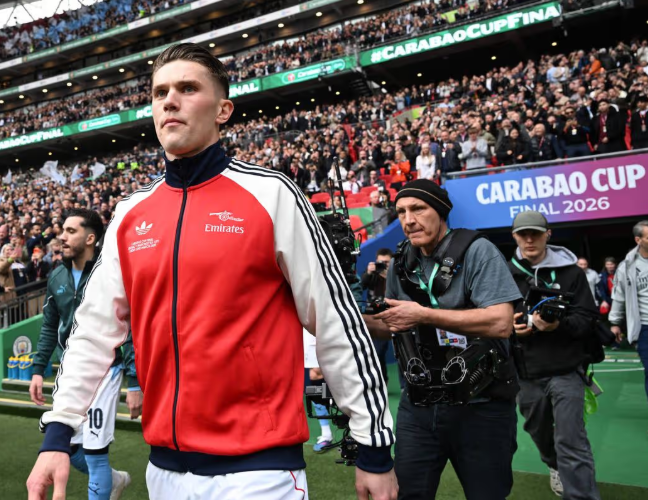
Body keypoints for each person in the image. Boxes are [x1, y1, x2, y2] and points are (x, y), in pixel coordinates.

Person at [27, 43, 397, 500]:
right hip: (163, 470)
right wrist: (59, 431)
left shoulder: (272, 195)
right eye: (160, 92)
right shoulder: (130, 214)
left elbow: (335, 320)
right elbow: (93, 331)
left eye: (187, 88)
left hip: (259, 472)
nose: (170, 101)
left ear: (223, 110)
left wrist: (372, 445)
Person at [370, 179, 520, 500]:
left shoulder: (477, 250)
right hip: (418, 405)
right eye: (401, 212)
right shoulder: (400, 262)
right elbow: (393, 326)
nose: (409, 220)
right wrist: (356, 320)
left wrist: (424, 315)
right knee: (407, 495)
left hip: (481, 405)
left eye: (418, 209)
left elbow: (501, 322)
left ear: (440, 212)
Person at [28, 209, 133, 500]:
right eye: (63, 230)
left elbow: (130, 323)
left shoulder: (110, 273)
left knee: (96, 451)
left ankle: (105, 480)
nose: (62, 236)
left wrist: (134, 380)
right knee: (67, 447)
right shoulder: (57, 275)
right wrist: (38, 369)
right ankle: (114, 480)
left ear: (90, 238)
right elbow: (49, 325)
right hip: (71, 372)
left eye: (71, 231)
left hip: (106, 369)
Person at [507, 211, 601, 499]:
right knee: (539, 432)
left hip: (566, 369)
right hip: (526, 373)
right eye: (523, 234)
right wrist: (513, 330)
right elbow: (493, 319)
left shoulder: (572, 273)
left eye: (536, 233)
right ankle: (554, 464)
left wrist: (558, 325)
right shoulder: (505, 273)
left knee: (571, 440)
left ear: (548, 234)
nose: (529, 239)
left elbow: (587, 319)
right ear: (514, 236)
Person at [609, 221, 648, 403]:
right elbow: (619, 296)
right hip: (645, 327)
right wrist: (615, 323)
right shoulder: (626, 266)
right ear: (638, 240)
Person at [361, 248, 394, 385]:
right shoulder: (373, 273)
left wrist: (388, 274)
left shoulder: (396, 273)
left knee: (403, 352)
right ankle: (382, 382)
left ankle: (405, 386)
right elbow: (361, 285)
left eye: (386, 262)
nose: (383, 265)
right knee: (377, 352)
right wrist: (369, 272)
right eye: (380, 262)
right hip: (376, 318)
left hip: (395, 315)